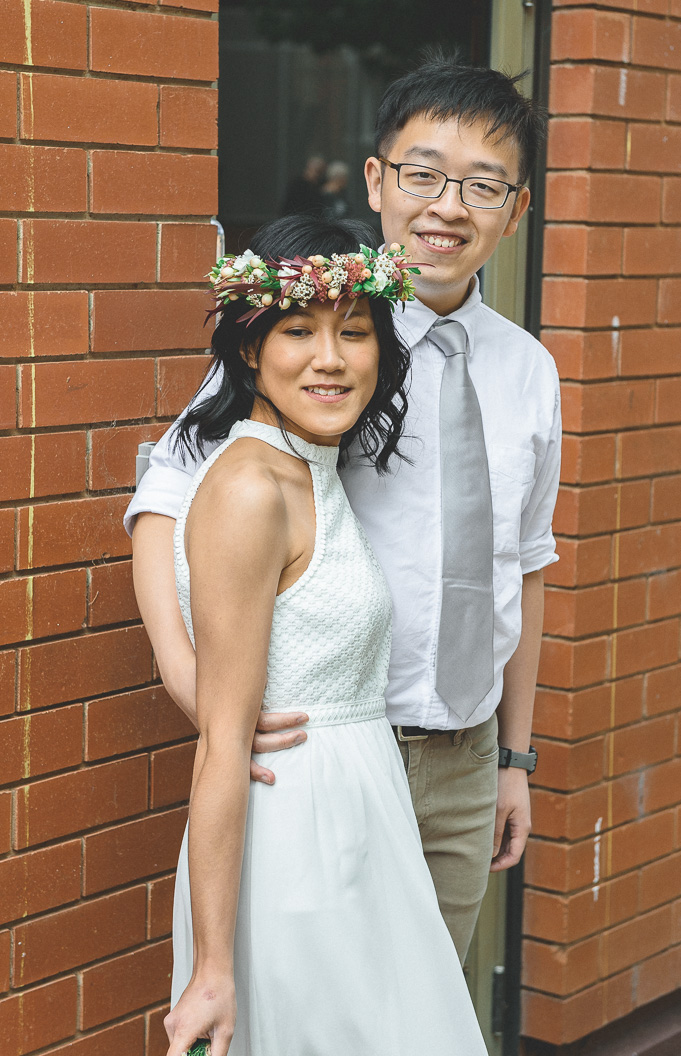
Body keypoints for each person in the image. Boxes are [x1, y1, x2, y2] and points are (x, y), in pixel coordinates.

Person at [127, 56, 561, 964]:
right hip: (333, 750)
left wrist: (513, 762)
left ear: (514, 211)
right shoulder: (312, 332)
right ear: (377, 181)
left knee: (424, 1005)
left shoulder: (529, 367)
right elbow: (166, 495)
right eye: (423, 174)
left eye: (483, 185)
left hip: (465, 758)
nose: (448, 207)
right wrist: (190, 682)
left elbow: (522, 562)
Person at [158, 215, 489, 1056]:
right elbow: (222, 746)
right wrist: (214, 965)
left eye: (355, 332)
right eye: (298, 330)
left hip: (359, 822)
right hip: (294, 840)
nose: (331, 358)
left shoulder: (308, 465)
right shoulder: (249, 491)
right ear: (247, 350)